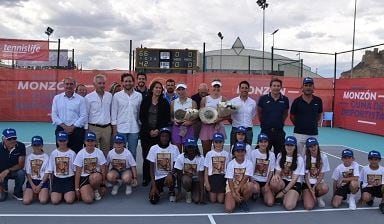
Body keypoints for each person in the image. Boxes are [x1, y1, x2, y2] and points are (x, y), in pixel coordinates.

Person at [140, 81, 170, 187]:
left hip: (159, 133)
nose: (158, 89)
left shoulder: (164, 102)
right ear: (152, 89)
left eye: (160, 88)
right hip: (146, 133)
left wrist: (157, 129)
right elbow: (142, 117)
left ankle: (159, 177)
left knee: (158, 156)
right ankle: (146, 178)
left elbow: (166, 118)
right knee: (146, 155)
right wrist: (149, 130)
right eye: (156, 87)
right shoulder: (145, 100)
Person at [52, 77, 87, 153]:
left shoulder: (81, 99)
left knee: (76, 154)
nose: (69, 86)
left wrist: (72, 127)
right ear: (63, 85)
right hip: (61, 129)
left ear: (74, 86)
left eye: (71, 84)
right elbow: (54, 115)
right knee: (61, 154)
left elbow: (83, 116)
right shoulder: (57, 98)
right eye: (67, 84)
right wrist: (65, 127)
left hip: (77, 131)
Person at [111, 73, 143, 159]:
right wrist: (114, 131)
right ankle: (121, 171)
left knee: (132, 153)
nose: (128, 83)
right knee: (120, 153)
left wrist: (140, 127)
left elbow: (140, 113)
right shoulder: (117, 96)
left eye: (130, 81)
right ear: (122, 83)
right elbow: (113, 114)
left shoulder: (139, 96)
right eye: (126, 81)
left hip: (134, 129)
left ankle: (132, 172)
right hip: (121, 129)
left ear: (133, 82)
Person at [290, 77, 323, 155]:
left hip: (313, 133)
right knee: (298, 157)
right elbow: (292, 116)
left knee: (312, 158)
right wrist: (299, 125)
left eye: (310, 85)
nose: (308, 87)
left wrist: (312, 124)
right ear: (303, 87)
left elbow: (319, 115)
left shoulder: (318, 101)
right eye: (306, 85)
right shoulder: (296, 101)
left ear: (313, 87)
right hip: (299, 134)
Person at [147, 128, 180, 204]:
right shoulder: (153, 148)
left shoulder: (174, 148)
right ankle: (159, 189)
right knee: (153, 200)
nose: (164, 138)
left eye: (166, 136)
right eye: (162, 136)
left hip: (170, 176)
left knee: (170, 178)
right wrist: (153, 185)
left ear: (169, 138)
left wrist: (170, 174)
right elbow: (151, 168)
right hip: (158, 177)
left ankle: (171, 190)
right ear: (159, 137)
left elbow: (176, 165)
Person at [270, 136, 304, 210]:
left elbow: (294, 179)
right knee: (273, 182)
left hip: (294, 184)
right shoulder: (280, 155)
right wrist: (276, 175)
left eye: (291, 145)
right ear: (284, 145)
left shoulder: (299, 159)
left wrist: (283, 192)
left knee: (289, 206)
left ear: (295, 147)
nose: (289, 147)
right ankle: (286, 196)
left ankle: (293, 195)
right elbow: (278, 172)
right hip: (283, 181)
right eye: (287, 145)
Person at [257, 78, 289, 157]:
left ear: (281, 87)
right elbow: (259, 113)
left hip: (279, 132)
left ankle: (276, 169)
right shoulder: (263, 99)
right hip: (266, 131)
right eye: (274, 85)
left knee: (279, 155)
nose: (276, 87)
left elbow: (285, 114)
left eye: (278, 86)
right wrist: (266, 123)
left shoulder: (285, 99)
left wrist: (279, 122)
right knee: (263, 154)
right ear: (270, 87)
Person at [74, 132, 107, 204]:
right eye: (88, 141)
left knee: (96, 177)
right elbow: (78, 172)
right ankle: (90, 189)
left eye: (92, 141)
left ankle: (95, 189)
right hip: (84, 177)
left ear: (95, 142)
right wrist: (77, 188)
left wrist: (103, 184)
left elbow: (103, 168)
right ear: (84, 142)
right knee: (88, 200)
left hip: (94, 176)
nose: (90, 143)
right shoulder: (80, 154)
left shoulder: (99, 152)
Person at [85, 74, 113, 156]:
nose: (102, 85)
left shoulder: (109, 96)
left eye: (103, 83)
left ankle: (104, 169)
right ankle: (94, 169)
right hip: (93, 128)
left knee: (106, 152)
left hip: (107, 129)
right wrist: (86, 129)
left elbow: (111, 111)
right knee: (93, 152)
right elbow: (86, 114)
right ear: (94, 84)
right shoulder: (88, 97)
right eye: (99, 83)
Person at [224, 142, 254, 213]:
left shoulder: (249, 163)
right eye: (237, 151)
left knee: (250, 185)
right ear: (234, 153)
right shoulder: (231, 164)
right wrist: (234, 193)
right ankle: (234, 199)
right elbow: (230, 180)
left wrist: (237, 190)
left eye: (242, 151)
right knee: (229, 209)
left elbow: (245, 178)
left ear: (245, 152)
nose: (240, 153)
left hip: (243, 185)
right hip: (232, 185)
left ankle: (243, 201)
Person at [48, 131, 77, 204]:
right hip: (57, 180)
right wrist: (51, 187)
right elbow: (51, 171)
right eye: (60, 140)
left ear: (67, 141)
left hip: (69, 180)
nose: (62, 143)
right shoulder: (53, 153)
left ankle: (68, 193)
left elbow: (75, 171)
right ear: (57, 141)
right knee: (54, 201)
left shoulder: (72, 153)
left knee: (69, 200)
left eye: (64, 140)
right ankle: (60, 193)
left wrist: (76, 187)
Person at [199, 80, 226, 156]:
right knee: (206, 152)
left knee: (219, 151)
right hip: (206, 127)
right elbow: (201, 113)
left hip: (218, 127)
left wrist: (218, 120)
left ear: (220, 88)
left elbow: (227, 114)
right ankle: (206, 167)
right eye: (214, 86)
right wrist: (207, 120)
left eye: (218, 86)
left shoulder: (223, 99)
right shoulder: (205, 99)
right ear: (211, 87)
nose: (216, 88)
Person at [174, 138, 205, 204]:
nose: (191, 149)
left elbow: (201, 178)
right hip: (186, 179)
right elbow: (179, 176)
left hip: (196, 181)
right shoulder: (180, 157)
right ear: (185, 148)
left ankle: (194, 190)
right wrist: (179, 192)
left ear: (196, 147)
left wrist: (202, 195)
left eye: (193, 147)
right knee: (186, 180)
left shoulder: (201, 158)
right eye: (189, 147)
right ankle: (188, 192)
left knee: (197, 199)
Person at [302, 137, 330, 209]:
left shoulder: (323, 157)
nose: (313, 148)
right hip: (307, 184)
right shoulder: (305, 158)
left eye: (314, 145)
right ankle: (305, 194)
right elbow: (305, 177)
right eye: (310, 146)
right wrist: (310, 189)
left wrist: (314, 187)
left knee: (325, 188)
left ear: (317, 145)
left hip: (318, 183)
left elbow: (321, 175)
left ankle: (319, 197)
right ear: (308, 148)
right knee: (309, 206)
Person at [249, 133, 276, 206]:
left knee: (270, 203)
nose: (263, 144)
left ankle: (263, 192)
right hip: (255, 180)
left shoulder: (272, 155)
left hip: (265, 182)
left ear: (268, 143)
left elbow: (271, 171)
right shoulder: (253, 153)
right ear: (258, 142)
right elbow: (249, 168)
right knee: (255, 188)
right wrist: (252, 180)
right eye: (261, 141)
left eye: (265, 142)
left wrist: (267, 184)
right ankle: (256, 192)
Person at [0, 128, 26, 201]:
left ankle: (17, 192)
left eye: (14, 138)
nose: (12, 141)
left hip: (14, 171)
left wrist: (7, 170)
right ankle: (4, 190)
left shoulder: (21, 146)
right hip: (1, 173)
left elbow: (21, 165)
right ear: (3, 138)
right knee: (1, 198)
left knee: (21, 173)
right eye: (9, 139)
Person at [170, 83, 197, 152]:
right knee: (177, 150)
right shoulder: (173, 103)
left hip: (188, 128)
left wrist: (190, 122)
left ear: (186, 90)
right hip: (177, 128)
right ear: (176, 91)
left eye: (183, 89)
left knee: (187, 150)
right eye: (179, 89)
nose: (181, 91)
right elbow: (171, 117)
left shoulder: (192, 102)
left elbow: (195, 117)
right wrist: (174, 121)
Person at [204, 133, 230, 204]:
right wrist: (206, 182)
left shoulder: (227, 154)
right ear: (213, 143)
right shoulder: (209, 154)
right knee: (213, 200)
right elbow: (206, 169)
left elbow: (228, 169)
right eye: (216, 142)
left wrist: (227, 183)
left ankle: (222, 192)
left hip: (222, 178)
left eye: (220, 142)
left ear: (223, 142)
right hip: (212, 178)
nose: (218, 144)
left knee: (220, 201)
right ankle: (207, 191)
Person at [23, 136, 50, 205]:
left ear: (42, 145)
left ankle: (43, 192)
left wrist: (40, 185)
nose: (37, 147)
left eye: (38, 145)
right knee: (26, 201)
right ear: (32, 145)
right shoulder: (29, 157)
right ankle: (34, 192)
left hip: (43, 181)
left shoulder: (46, 157)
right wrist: (32, 185)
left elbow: (47, 173)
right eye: (34, 145)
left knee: (43, 201)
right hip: (32, 181)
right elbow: (28, 173)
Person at [229, 80, 257, 147]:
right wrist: (235, 123)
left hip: (248, 131)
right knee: (233, 150)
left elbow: (252, 115)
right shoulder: (232, 101)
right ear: (239, 89)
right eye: (242, 88)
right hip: (236, 129)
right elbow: (229, 115)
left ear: (249, 89)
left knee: (247, 151)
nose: (244, 90)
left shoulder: (253, 102)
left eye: (246, 88)